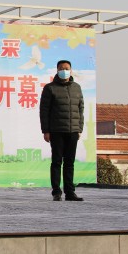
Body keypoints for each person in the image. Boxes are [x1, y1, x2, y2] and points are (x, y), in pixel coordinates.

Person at [39, 60, 85, 201]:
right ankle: (56, 192)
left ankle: (70, 192)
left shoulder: (77, 87)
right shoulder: (50, 88)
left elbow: (81, 109)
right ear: (57, 70)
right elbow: (44, 110)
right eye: (61, 68)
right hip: (56, 130)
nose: (64, 71)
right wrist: (46, 130)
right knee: (57, 162)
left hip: (73, 131)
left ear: (71, 70)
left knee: (69, 163)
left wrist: (79, 128)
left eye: (66, 68)